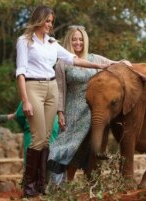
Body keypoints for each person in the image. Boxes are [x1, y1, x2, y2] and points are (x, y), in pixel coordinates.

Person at [15, 5, 108, 198]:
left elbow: (73, 60)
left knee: (47, 137)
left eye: (51, 22)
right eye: (47, 21)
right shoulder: (24, 41)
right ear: (38, 20)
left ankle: (41, 183)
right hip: (33, 87)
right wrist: (25, 101)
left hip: (51, 89)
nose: (49, 25)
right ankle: (29, 184)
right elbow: (21, 72)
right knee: (38, 137)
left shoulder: (52, 43)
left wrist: (99, 64)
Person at [47, 25, 132, 187]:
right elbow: (59, 89)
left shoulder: (94, 59)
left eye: (80, 39)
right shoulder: (62, 63)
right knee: (61, 148)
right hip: (72, 111)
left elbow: (112, 64)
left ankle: (86, 184)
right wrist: (60, 112)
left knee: (88, 150)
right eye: (74, 39)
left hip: (93, 113)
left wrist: (123, 62)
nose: (78, 42)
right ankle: (57, 186)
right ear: (69, 41)